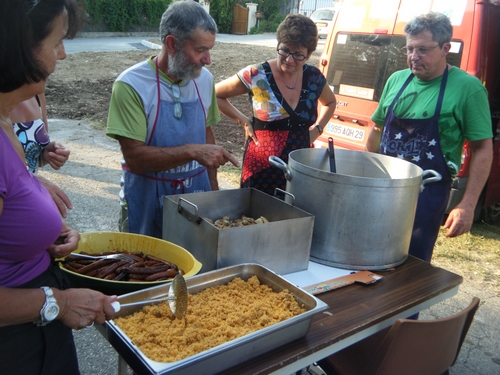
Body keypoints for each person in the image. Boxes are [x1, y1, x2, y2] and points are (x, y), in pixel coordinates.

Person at [0, 1, 117, 374]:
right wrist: (59, 302)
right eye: (55, 43)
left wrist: (48, 227)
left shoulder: (7, 126)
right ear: (14, 46)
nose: (63, 55)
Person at [365, 12, 493, 262]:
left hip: (427, 195)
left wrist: (467, 204)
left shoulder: (468, 88)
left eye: (423, 49)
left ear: (446, 48)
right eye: (410, 49)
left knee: (410, 265)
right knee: (368, 255)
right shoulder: (396, 80)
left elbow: (482, 149)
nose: (414, 57)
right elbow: (376, 130)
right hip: (384, 189)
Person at [106, 0, 239, 238]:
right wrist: (192, 151)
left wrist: (214, 195)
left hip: (195, 201)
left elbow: (207, 136)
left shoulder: (205, 80)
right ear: (172, 44)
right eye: (200, 50)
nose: (207, 59)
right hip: (145, 202)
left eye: (210, 50)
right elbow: (134, 158)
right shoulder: (131, 85)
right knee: (145, 269)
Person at [215, 14, 336, 195]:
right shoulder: (256, 74)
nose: (289, 59)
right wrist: (243, 121)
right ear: (278, 44)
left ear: (309, 54)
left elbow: (331, 102)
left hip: (299, 169)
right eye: (284, 50)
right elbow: (214, 94)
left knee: (294, 220)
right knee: (255, 219)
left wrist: (317, 129)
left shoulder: (314, 78)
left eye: (298, 55)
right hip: (261, 170)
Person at [10, 93, 73, 217]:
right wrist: (30, 179)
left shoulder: (36, 92)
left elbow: (29, 157)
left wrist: (46, 153)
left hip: (29, 202)